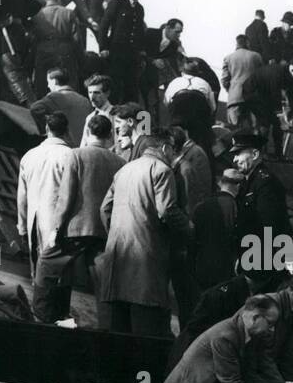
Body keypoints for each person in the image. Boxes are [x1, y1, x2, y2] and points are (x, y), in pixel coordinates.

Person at [95, 126, 191, 336]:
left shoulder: (124, 170)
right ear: (165, 147)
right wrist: (189, 228)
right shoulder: (162, 171)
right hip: (146, 264)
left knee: (119, 332)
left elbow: (104, 209)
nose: (174, 156)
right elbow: (167, 210)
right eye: (174, 151)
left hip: (116, 259)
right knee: (147, 335)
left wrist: (115, 234)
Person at [163, 296, 293, 383]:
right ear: (255, 317)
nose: (273, 330)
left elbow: (249, 373)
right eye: (270, 323)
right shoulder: (225, 336)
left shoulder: (251, 332)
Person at [16, 112, 82, 322]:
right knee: (61, 275)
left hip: (35, 220)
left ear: (46, 129)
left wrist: (21, 225)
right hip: (60, 223)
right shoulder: (71, 156)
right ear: (66, 130)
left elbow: (22, 196)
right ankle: (58, 317)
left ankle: (41, 316)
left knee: (39, 272)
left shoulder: (29, 155)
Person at [69, 113, 124, 286]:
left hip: (77, 226)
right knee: (99, 283)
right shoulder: (120, 162)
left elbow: (66, 194)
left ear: (88, 132)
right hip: (104, 228)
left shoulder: (75, 155)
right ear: (110, 135)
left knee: (77, 286)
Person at [231, 131, 293, 248]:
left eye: (238, 153)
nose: (235, 159)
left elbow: (269, 227)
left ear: (254, 155)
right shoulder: (248, 180)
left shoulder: (266, 183)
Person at [97, 0, 149, 101]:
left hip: (132, 56)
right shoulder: (117, 4)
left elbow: (139, 32)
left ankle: (129, 117)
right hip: (116, 54)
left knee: (131, 89)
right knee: (114, 88)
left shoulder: (139, 9)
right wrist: (103, 47)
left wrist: (141, 50)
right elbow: (103, 27)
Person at [31, 0, 84, 98]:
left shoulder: (37, 16)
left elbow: (32, 39)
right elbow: (77, 40)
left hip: (43, 53)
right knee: (69, 86)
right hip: (65, 53)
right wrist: (81, 59)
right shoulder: (69, 13)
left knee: (42, 87)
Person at [30, 68, 94, 147]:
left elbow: (34, 109)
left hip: (65, 146)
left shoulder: (53, 98)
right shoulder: (85, 100)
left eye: (48, 82)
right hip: (85, 147)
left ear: (54, 81)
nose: (48, 85)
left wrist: (48, 128)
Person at [221, 35, 264, 126]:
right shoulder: (256, 56)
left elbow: (224, 80)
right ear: (247, 43)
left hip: (235, 99)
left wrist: (232, 90)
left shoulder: (228, 58)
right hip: (253, 98)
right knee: (254, 132)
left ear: (237, 44)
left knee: (236, 131)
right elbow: (261, 77)